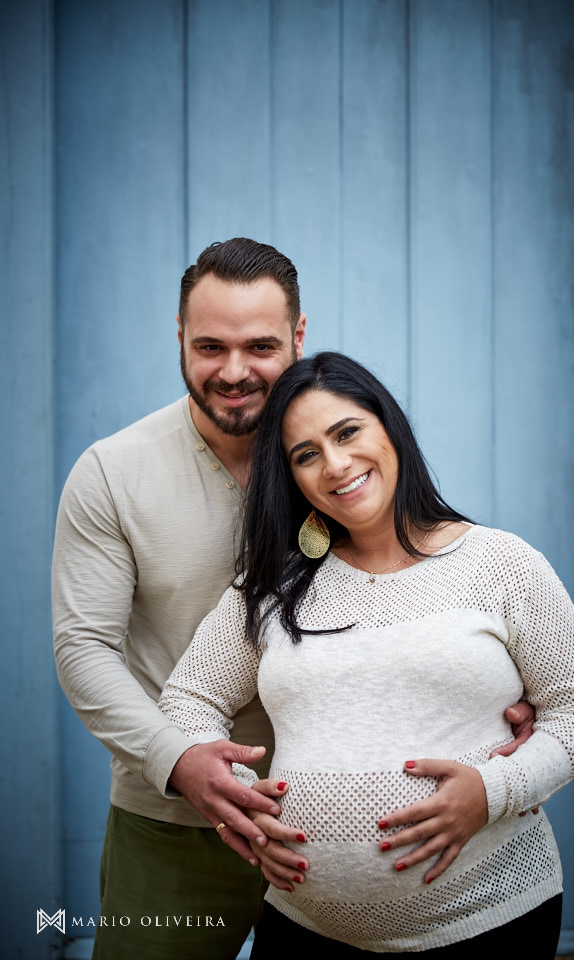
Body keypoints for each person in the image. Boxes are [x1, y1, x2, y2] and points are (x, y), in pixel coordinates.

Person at [53, 239, 535, 960]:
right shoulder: (112, 473)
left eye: (261, 345)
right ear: (179, 334)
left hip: (350, 848)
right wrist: (178, 758)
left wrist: (505, 692)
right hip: (175, 823)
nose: (235, 371)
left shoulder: (342, 454)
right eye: (210, 345)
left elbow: (422, 590)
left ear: (299, 335)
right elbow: (82, 650)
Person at [158, 351, 574, 958]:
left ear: (390, 427)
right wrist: (239, 808)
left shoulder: (504, 565)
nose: (336, 465)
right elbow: (187, 701)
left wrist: (492, 791)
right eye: (306, 455)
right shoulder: (272, 587)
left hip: (488, 919)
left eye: (347, 433)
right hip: (303, 929)